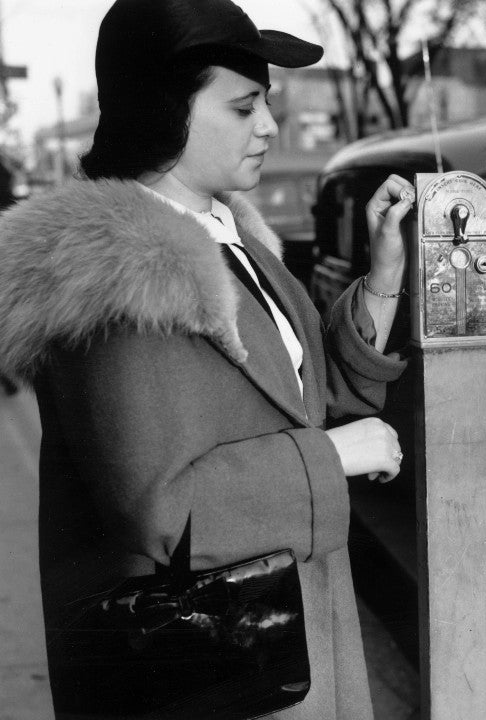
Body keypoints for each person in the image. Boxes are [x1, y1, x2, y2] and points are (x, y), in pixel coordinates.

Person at [0, 0, 416, 717]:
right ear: (166, 113)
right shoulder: (116, 273)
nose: (269, 127)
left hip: (277, 636)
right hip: (212, 670)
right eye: (244, 107)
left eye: (267, 105)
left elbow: (308, 399)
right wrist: (334, 456)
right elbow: (160, 508)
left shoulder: (227, 235)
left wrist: (382, 280)